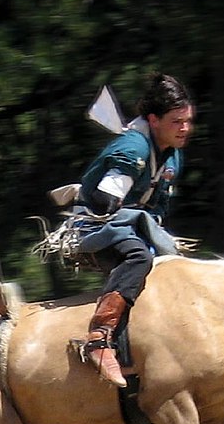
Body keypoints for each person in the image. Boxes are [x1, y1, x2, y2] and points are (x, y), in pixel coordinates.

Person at [70, 72, 194, 387]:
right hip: (94, 227)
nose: (185, 128)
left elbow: (159, 208)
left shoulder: (172, 155)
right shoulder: (134, 149)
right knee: (138, 259)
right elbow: (103, 202)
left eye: (187, 120)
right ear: (153, 120)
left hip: (134, 227)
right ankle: (99, 339)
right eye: (177, 121)